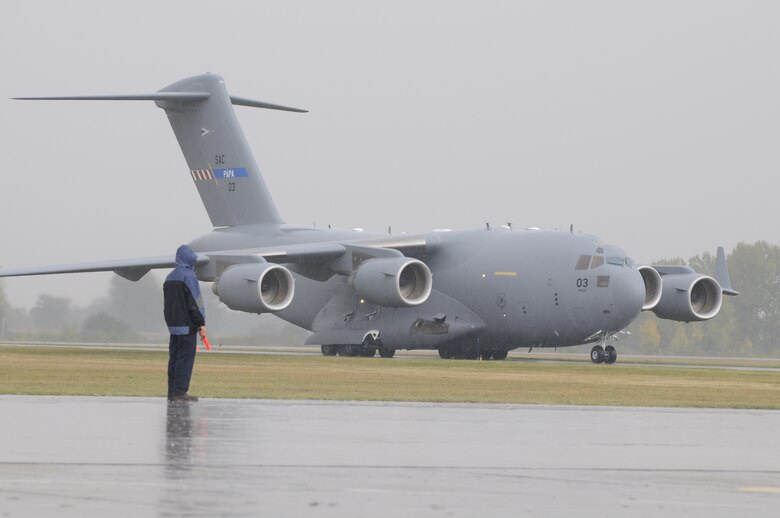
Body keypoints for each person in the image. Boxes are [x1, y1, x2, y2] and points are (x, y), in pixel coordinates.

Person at [163, 244, 206, 403]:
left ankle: (172, 392)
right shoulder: (189, 277)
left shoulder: (169, 277)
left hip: (173, 327)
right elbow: (195, 303)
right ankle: (180, 392)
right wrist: (201, 323)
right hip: (187, 326)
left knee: (174, 359)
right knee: (185, 359)